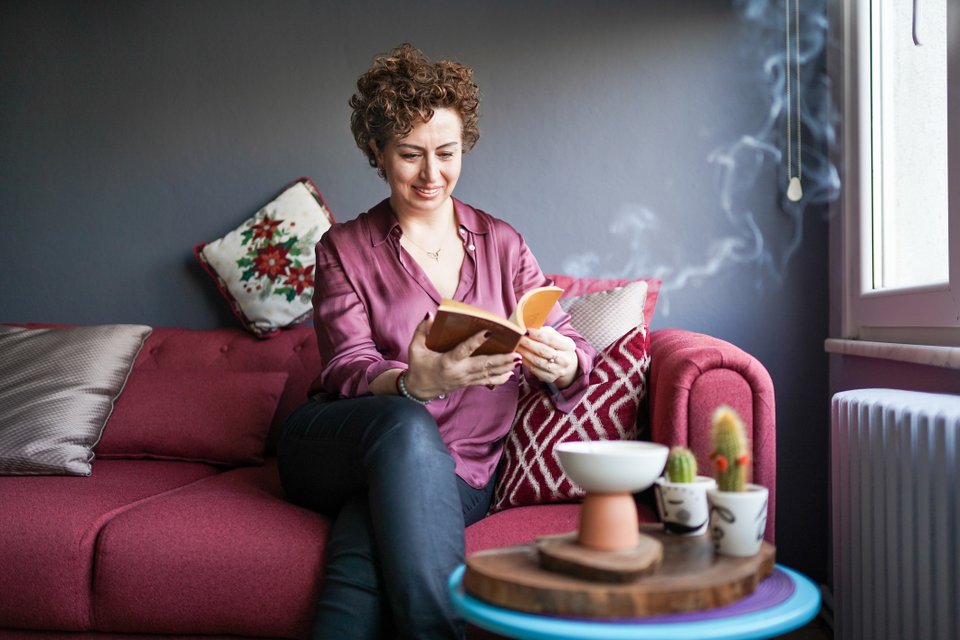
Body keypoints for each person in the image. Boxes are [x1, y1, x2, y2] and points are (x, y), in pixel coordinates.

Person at [276, 43, 596, 640]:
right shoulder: (342, 248)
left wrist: (563, 358)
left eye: (446, 154)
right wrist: (412, 383)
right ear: (377, 151)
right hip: (339, 444)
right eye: (409, 154)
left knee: (362, 554)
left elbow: (570, 339)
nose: (431, 175)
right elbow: (346, 365)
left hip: (461, 467)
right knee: (404, 422)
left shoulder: (502, 242)